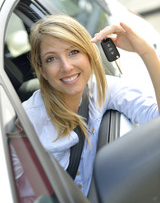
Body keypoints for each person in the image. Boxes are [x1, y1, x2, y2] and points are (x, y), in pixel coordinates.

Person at [14, 14, 159, 197]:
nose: (66, 67)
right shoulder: (26, 121)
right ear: (41, 70)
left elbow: (156, 118)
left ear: (89, 53)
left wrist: (146, 52)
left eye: (73, 52)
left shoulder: (105, 89)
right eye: (51, 59)